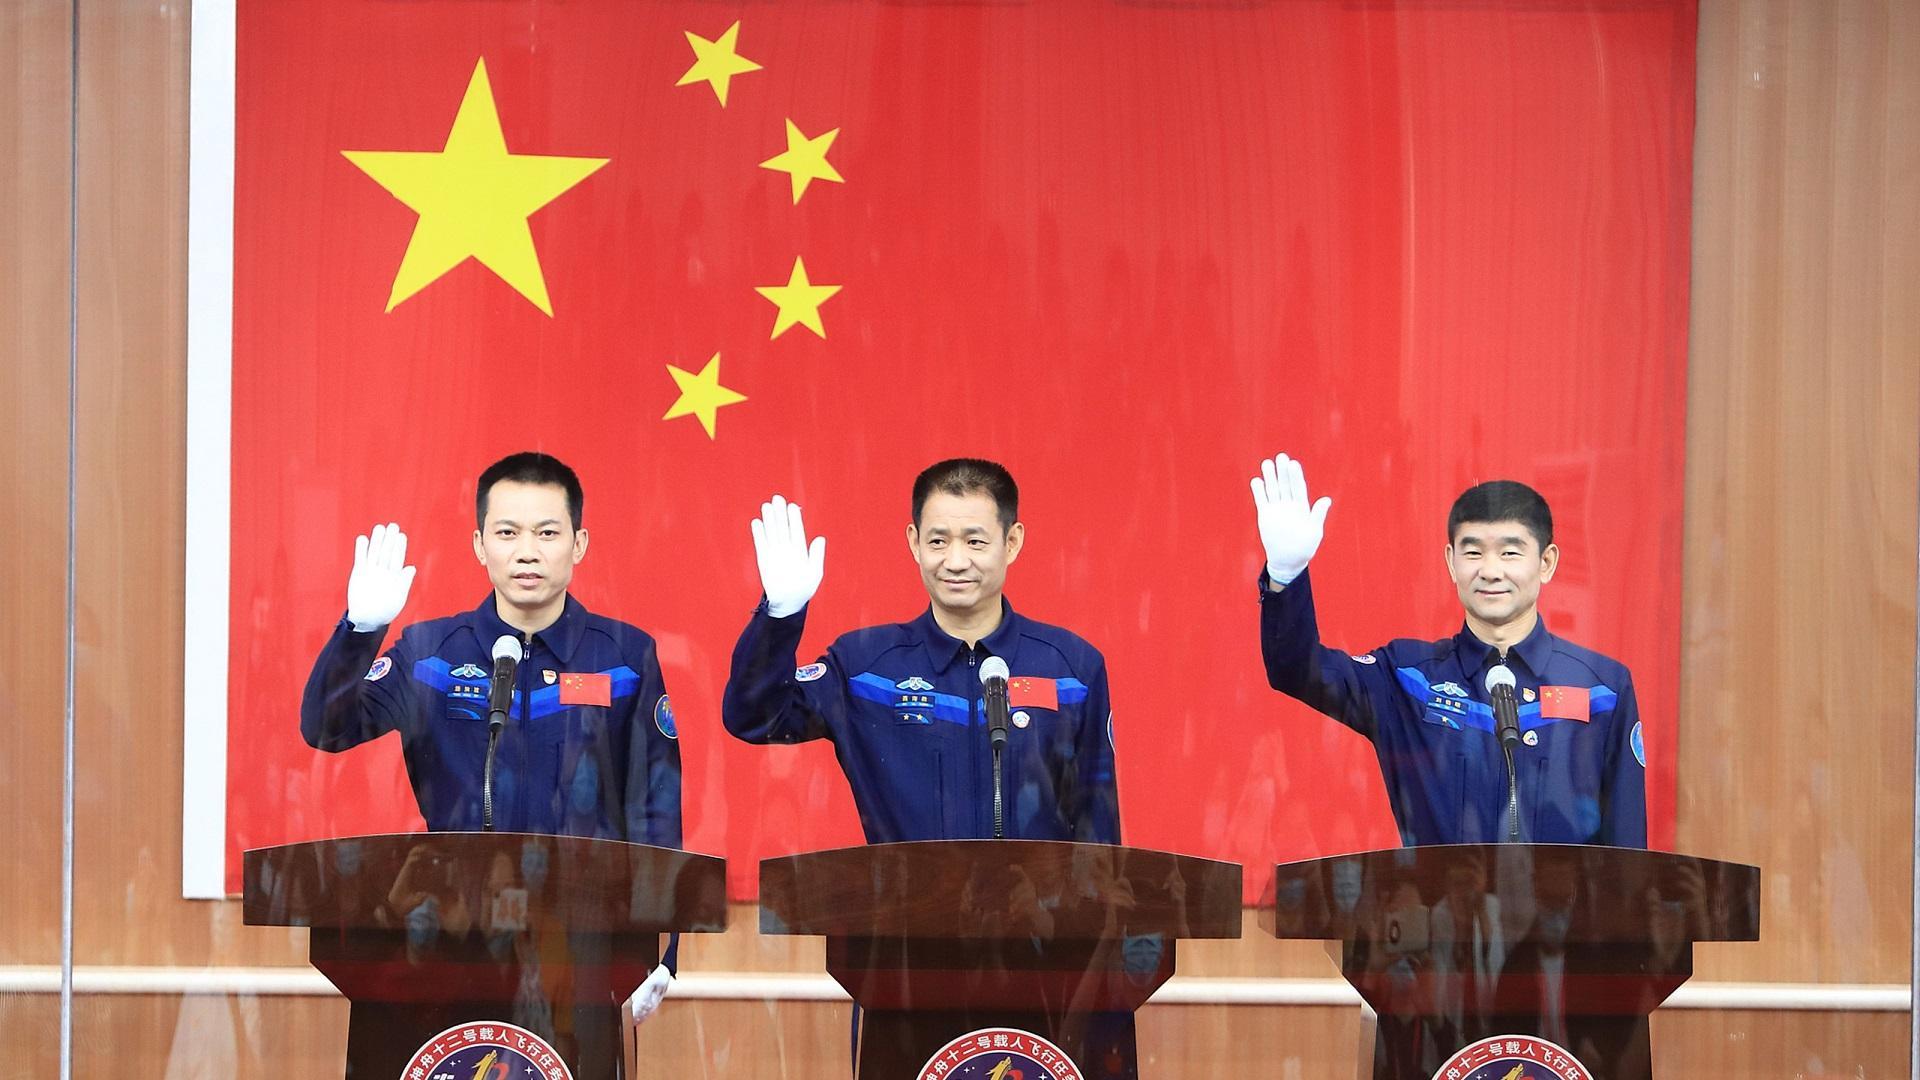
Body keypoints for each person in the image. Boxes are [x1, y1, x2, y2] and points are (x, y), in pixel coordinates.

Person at [299, 451, 682, 1035]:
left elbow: (655, 805)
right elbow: (327, 729)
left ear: (578, 544)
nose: (527, 551)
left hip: (582, 944)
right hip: (452, 937)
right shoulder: (430, 654)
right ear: (480, 545)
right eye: (507, 533)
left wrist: (661, 945)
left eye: (547, 533)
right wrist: (360, 630)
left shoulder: (624, 657)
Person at [1250, 453, 1646, 847]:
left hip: (1565, 893)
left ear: (1546, 562)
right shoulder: (1409, 679)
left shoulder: (1603, 690)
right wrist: (1286, 576)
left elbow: (1628, 854)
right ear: (1451, 562)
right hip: (1438, 892)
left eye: (1510, 553)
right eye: (1473, 552)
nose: (1490, 571)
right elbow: (1296, 669)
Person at [722, 458, 1120, 845]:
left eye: (975, 542)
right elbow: (756, 718)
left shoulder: (1071, 669)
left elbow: (1099, 835)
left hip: (1037, 894)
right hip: (905, 892)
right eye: (938, 541)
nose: (956, 561)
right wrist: (780, 615)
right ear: (914, 542)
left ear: (1011, 542)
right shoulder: (864, 669)